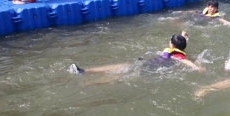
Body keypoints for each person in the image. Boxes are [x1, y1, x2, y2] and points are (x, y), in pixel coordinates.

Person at [68, 31, 205, 74]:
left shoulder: (176, 54)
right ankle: (86, 73)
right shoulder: (177, 51)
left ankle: (86, 73)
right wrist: (184, 35)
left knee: (121, 71)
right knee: (123, 70)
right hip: (149, 66)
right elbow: (182, 50)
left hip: (150, 68)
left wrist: (197, 67)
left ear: (172, 45)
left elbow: (185, 61)